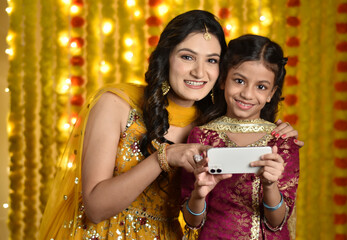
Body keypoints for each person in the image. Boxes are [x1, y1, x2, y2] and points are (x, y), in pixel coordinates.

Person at [39, 10, 300, 239]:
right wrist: (164, 157)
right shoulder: (116, 104)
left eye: (211, 60)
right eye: (187, 57)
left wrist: (274, 131)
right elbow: (95, 208)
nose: (199, 72)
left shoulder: (209, 126)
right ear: (167, 58)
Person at [181, 34, 300, 240]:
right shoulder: (202, 137)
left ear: (272, 93)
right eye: (239, 81)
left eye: (261, 87)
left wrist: (270, 185)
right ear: (222, 81)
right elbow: (193, 221)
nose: (247, 94)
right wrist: (199, 192)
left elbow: (277, 221)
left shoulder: (281, 141)